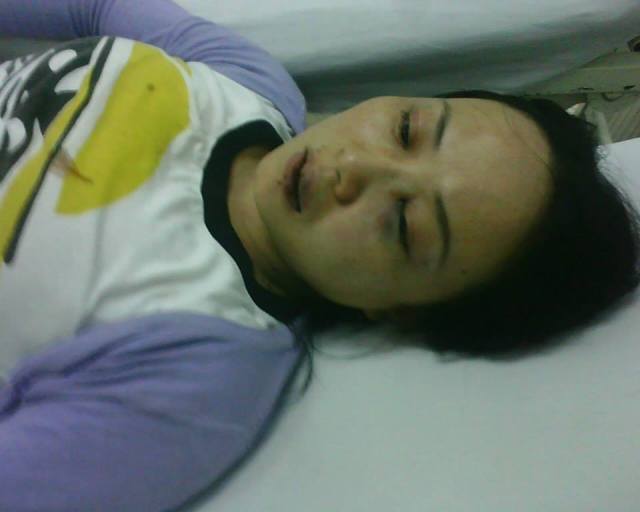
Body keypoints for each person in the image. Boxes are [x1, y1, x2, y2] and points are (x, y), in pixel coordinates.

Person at [1, 1, 639, 511]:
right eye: (407, 129)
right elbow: (96, 7)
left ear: (400, 311)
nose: (355, 165)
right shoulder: (246, 80)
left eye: (405, 222)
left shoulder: (198, 369)